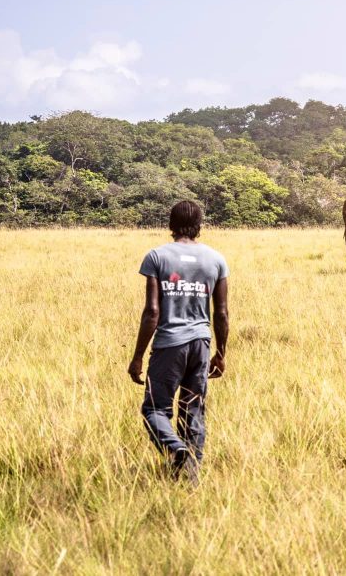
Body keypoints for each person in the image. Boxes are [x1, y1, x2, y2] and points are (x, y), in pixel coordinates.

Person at [127, 200, 229, 484]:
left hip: (168, 344)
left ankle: (175, 449)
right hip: (201, 343)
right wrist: (220, 353)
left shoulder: (157, 257)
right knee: (192, 410)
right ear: (200, 225)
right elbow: (220, 313)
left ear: (170, 224)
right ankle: (190, 478)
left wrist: (137, 357)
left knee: (154, 410)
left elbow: (152, 312)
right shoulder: (216, 259)